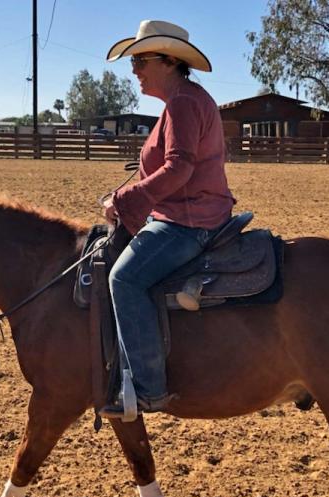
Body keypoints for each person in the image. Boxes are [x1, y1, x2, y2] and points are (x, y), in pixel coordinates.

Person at [99, 20, 236, 420]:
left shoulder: (183, 103)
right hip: (191, 212)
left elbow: (179, 170)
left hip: (189, 220)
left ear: (169, 61)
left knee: (123, 278)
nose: (134, 69)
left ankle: (147, 389)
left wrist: (126, 198)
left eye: (141, 60)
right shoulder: (183, 101)